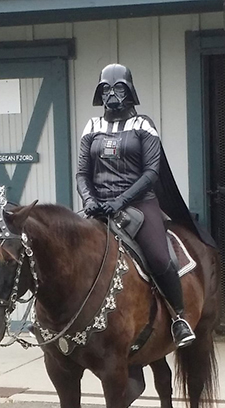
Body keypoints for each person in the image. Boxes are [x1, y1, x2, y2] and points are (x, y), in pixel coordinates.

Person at [76, 63, 196, 348]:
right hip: (98, 207)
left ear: (129, 91)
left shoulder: (144, 125)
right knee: (68, 253)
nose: (112, 94)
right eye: (105, 89)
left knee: (158, 258)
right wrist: (90, 200)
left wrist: (120, 200)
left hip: (140, 206)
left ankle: (179, 318)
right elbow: (82, 173)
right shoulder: (92, 126)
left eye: (118, 88)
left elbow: (151, 173)